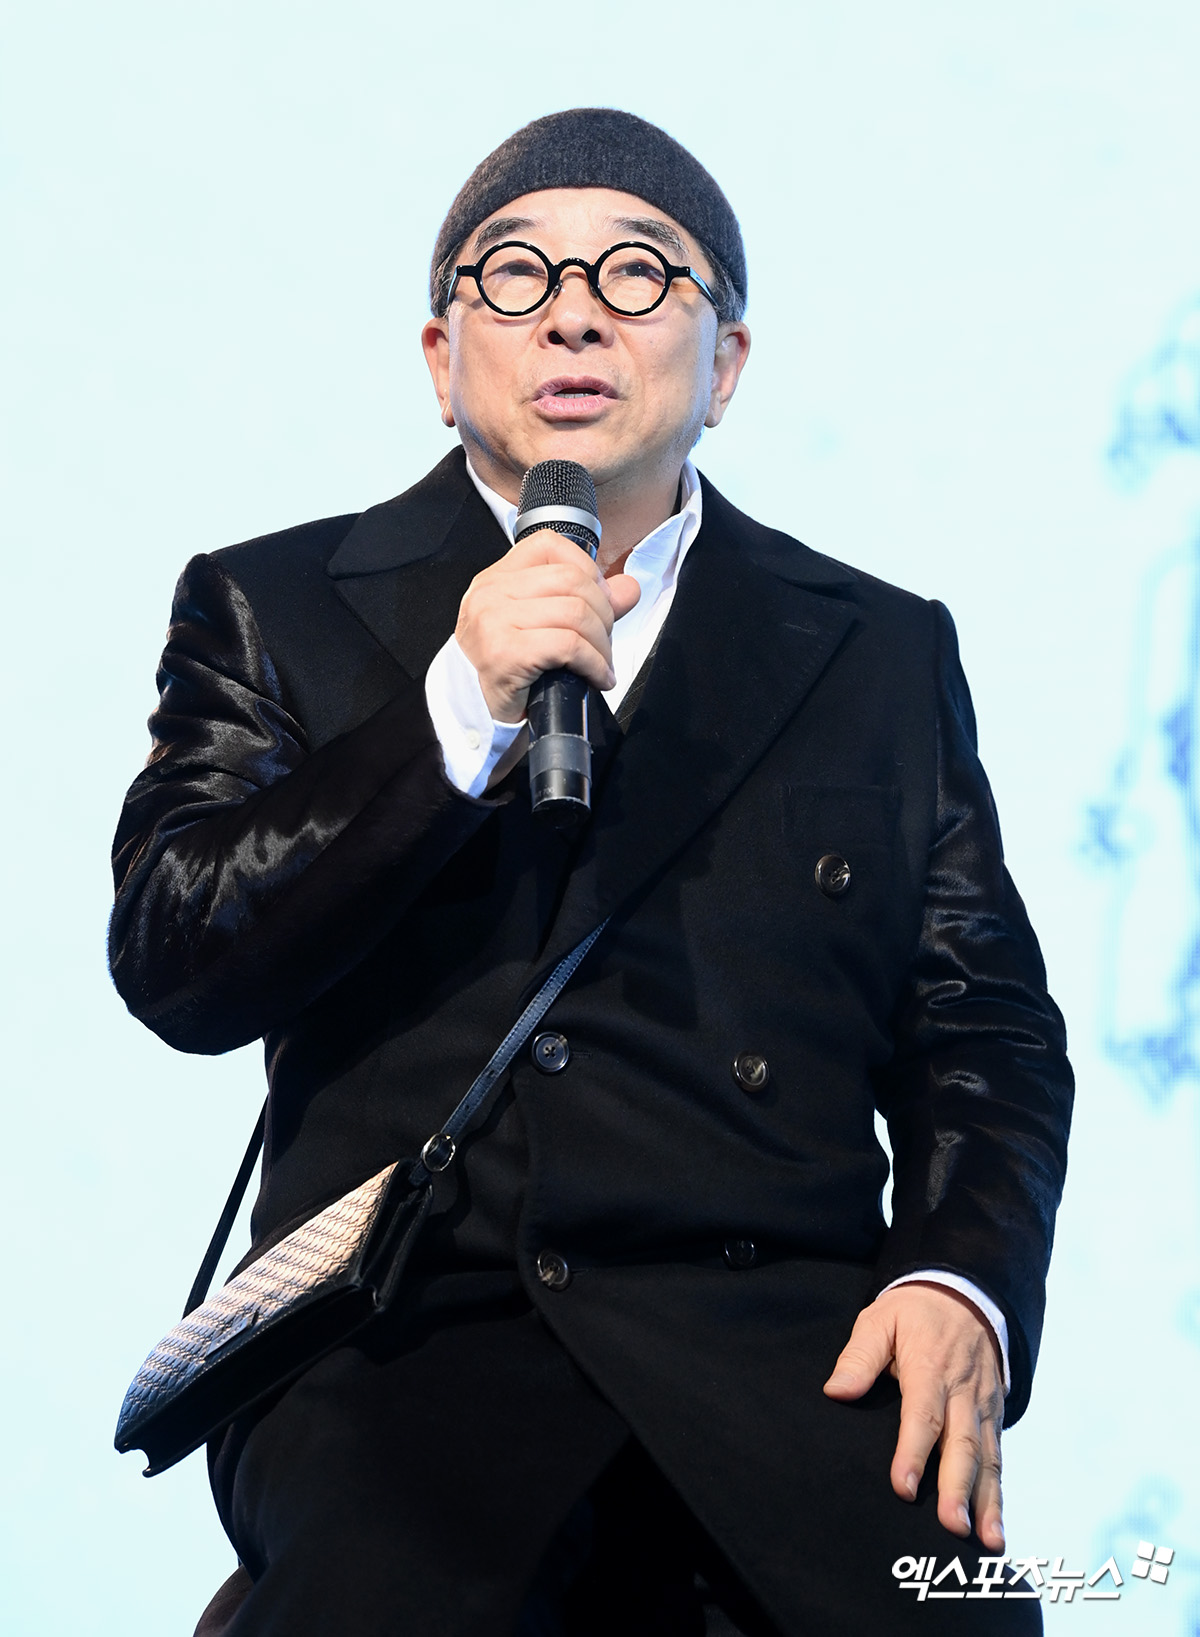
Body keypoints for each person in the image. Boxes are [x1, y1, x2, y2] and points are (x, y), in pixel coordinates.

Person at [109, 108, 1073, 1635]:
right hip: (402, 1348)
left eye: (637, 273)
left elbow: (983, 1025)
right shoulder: (273, 603)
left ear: (726, 364)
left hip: (787, 1356)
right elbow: (178, 953)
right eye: (515, 274)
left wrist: (961, 1279)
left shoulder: (876, 647)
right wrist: (455, 711)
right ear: (442, 358)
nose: (572, 312)